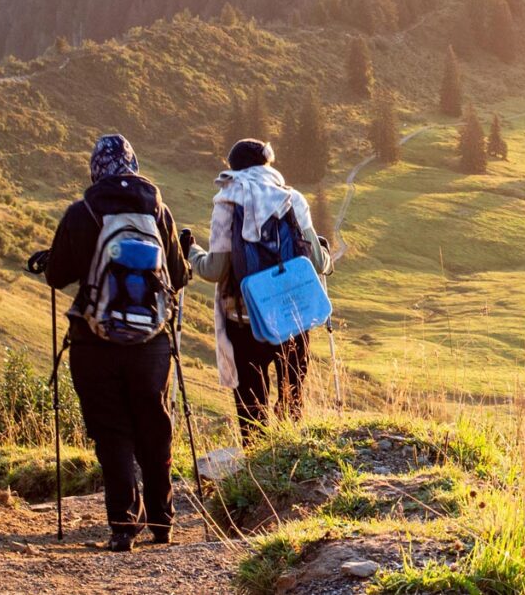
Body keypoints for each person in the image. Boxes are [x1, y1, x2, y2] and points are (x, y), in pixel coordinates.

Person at [45, 134, 189, 552]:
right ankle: (163, 520)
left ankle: (123, 525)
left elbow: (57, 276)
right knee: (154, 424)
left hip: (94, 341)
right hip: (152, 343)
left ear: (96, 169)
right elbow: (177, 278)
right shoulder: (158, 210)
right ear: (133, 164)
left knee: (111, 429)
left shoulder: (82, 211)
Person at [188, 139, 332, 445]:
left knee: (252, 410)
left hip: (245, 320)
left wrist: (191, 253)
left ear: (234, 169)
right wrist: (324, 252)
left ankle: (258, 475)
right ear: (267, 165)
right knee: (291, 402)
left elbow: (214, 270)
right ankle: (292, 470)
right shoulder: (292, 198)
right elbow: (317, 263)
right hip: (293, 318)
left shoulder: (227, 202)